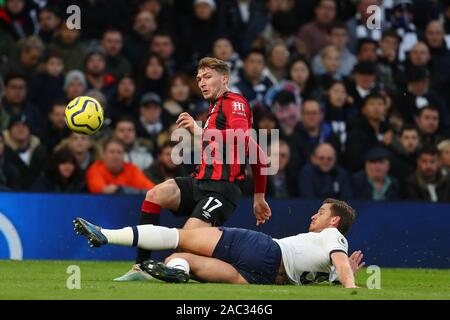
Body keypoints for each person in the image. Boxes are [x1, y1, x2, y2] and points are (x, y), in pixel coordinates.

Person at [115, 57, 270, 281]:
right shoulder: (214, 109)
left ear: (224, 78)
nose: (202, 83)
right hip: (200, 181)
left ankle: (194, 271)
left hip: (222, 189)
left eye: (208, 77)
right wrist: (259, 197)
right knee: (155, 194)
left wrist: (199, 132)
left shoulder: (234, 102)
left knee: (188, 237)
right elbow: (259, 156)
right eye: (199, 79)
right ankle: (140, 268)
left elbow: (242, 137)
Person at [74, 198, 360, 288]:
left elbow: (339, 261)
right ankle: (180, 271)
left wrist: (350, 285)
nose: (314, 215)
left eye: (321, 212)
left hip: (264, 250)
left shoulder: (334, 237)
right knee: (183, 258)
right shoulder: (330, 254)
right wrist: (342, 276)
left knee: (180, 236)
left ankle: (106, 234)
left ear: (334, 221)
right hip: (264, 279)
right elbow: (333, 272)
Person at [86, 138, 155, 195]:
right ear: (103, 154)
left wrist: (123, 190)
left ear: (123, 155)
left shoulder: (132, 169)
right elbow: (100, 189)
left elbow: (151, 190)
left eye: (119, 152)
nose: (116, 156)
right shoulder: (95, 168)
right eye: (112, 152)